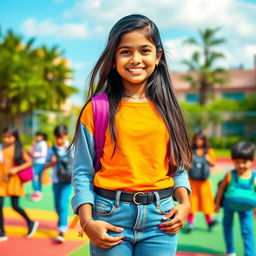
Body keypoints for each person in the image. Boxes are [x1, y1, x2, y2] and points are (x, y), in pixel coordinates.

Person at [71, 14, 192, 256]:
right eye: (125, 51)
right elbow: (83, 172)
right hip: (110, 216)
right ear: (113, 59)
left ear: (157, 57)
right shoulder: (96, 109)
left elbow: (177, 166)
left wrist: (185, 204)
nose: (136, 59)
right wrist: (87, 221)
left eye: (145, 50)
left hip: (162, 219)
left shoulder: (169, 109)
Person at [215, 141, 255, 256]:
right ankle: (230, 250)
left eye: (244, 162)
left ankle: (250, 253)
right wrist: (217, 203)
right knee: (227, 226)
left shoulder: (254, 177)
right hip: (229, 205)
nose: (241, 165)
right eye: (237, 162)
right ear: (233, 161)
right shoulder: (230, 175)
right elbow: (221, 189)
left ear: (251, 161)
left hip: (247, 207)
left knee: (247, 230)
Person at [0, 124, 39, 241]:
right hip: (2, 181)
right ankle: (2, 232)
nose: (6, 139)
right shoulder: (1, 148)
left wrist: (16, 169)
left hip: (14, 181)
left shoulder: (19, 149)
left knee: (15, 206)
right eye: (4, 136)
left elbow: (29, 162)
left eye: (9, 137)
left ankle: (31, 222)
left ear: (15, 137)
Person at [186, 131, 218, 232]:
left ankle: (209, 222)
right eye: (196, 139)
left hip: (204, 182)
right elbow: (186, 163)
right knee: (192, 202)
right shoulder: (190, 151)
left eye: (200, 139)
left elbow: (213, 164)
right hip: (193, 181)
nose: (198, 141)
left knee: (206, 202)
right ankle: (190, 222)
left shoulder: (209, 151)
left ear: (204, 140)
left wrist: (209, 160)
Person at [45, 124, 72, 243]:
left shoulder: (72, 147)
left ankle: (61, 231)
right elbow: (45, 165)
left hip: (68, 181)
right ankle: (63, 220)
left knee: (63, 204)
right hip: (56, 180)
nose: (60, 140)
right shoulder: (52, 150)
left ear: (67, 136)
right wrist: (51, 163)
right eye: (57, 137)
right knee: (56, 206)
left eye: (62, 137)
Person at [29, 131, 48, 201]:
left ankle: (37, 191)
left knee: (32, 174)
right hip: (35, 162)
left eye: (38, 136)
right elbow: (30, 151)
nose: (36, 137)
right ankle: (39, 191)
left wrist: (35, 154)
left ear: (42, 137)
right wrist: (32, 146)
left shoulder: (43, 143)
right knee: (39, 177)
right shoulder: (36, 143)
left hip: (41, 162)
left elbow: (44, 153)